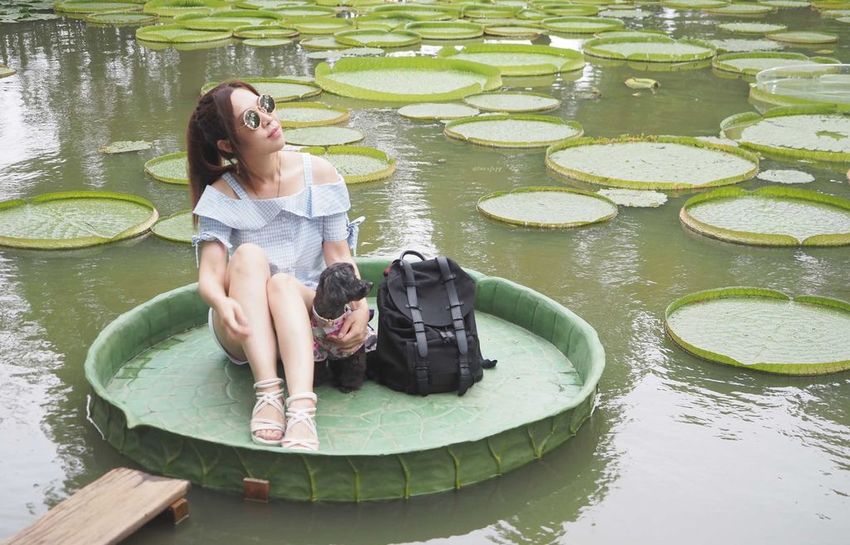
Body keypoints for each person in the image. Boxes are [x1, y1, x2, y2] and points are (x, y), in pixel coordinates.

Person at [186, 81, 370, 451]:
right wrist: (222, 303)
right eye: (252, 119)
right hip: (247, 325)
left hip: (307, 309)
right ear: (227, 144)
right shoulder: (222, 195)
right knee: (248, 256)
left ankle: (301, 409)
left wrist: (361, 307)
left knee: (283, 283)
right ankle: (268, 393)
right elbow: (210, 275)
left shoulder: (320, 173)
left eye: (265, 105)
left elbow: (338, 253)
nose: (269, 118)